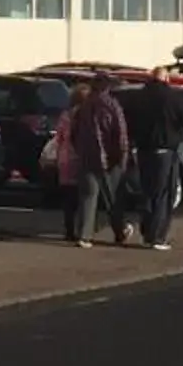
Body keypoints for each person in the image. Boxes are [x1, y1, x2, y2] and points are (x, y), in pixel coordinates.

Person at [114, 72, 183, 252]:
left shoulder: (139, 98)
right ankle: (157, 236)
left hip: (143, 152)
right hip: (166, 152)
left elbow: (127, 124)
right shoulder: (174, 98)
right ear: (166, 79)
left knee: (147, 191)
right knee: (163, 194)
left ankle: (147, 230)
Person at [56, 75, 131, 247]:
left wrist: (81, 150)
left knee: (88, 197)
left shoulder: (83, 107)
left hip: (88, 157)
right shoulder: (113, 105)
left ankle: (84, 235)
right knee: (113, 198)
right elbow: (120, 133)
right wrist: (122, 156)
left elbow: (74, 133)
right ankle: (119, 232)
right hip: (110, 159)